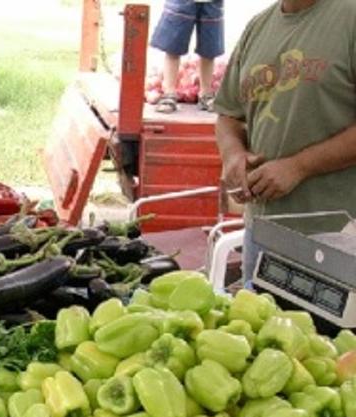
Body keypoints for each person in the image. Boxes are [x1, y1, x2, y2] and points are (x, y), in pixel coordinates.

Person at [214, 0, 356, 283]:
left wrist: (299, 166)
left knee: (331, 329)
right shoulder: (258, 26)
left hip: (338, 237)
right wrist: (233, 155)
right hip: (263, 234)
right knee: (263, 324)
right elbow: (229, 114)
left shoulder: (349, 17)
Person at [150, 0, 225, 113]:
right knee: (173, 46)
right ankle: (168, 93)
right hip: (181, 3)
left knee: (209, 50)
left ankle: (206, 94)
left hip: (212, 3)